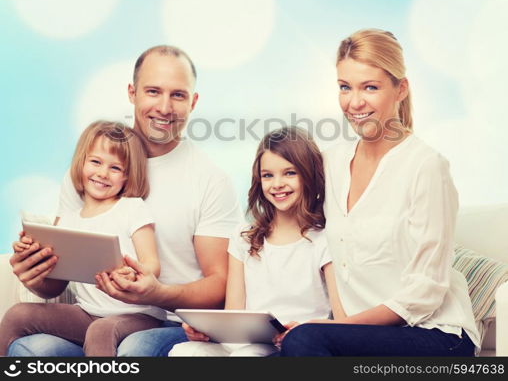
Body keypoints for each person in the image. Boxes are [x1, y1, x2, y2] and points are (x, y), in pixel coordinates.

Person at [8, 46, 242, 357]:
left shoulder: (209, 179)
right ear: (132, 93)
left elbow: (221, 283)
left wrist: (160, 293)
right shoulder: (89, 173)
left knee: (132, 348)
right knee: (32, 348)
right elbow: (58, 280)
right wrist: (37, 275)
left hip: (171, 323)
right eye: (153, 91)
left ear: (193, 102)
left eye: (178, 95)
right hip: (93, 318)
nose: (164, 107)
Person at [280, 28, 481, 357]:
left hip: (434, 335)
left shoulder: (426, 166)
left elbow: (425, 291)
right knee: (292, 341)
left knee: (306, 341)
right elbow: (296, 235)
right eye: (345, 87)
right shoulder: (331, 162)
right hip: (360, 334)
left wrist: (338, 328)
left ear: (400, 89)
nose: (354, 102)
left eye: (370, 87)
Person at [169, 127, 344, 357]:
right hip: (248, 343)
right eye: (268, 175)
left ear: (308, 175)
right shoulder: (244, 237)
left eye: (289, 173)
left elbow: (341, 320)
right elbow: (234, 312)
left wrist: (302, 331)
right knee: (183, 352)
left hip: (295, 345)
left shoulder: (324, 238)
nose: (277, 184)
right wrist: (206, 331)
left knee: (246, 357)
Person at [0, 120, 163, 356]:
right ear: (81, 163)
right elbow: (56, 281)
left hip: (138, 315)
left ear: (128, 177)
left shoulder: (131, 208)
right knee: (18, 314)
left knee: (101, 330)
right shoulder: (68, 221)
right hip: (88, 313)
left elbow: (152, 264)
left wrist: (136, 273)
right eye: (95, 162)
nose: (102, 173)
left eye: (115, 168)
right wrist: (32, 255)